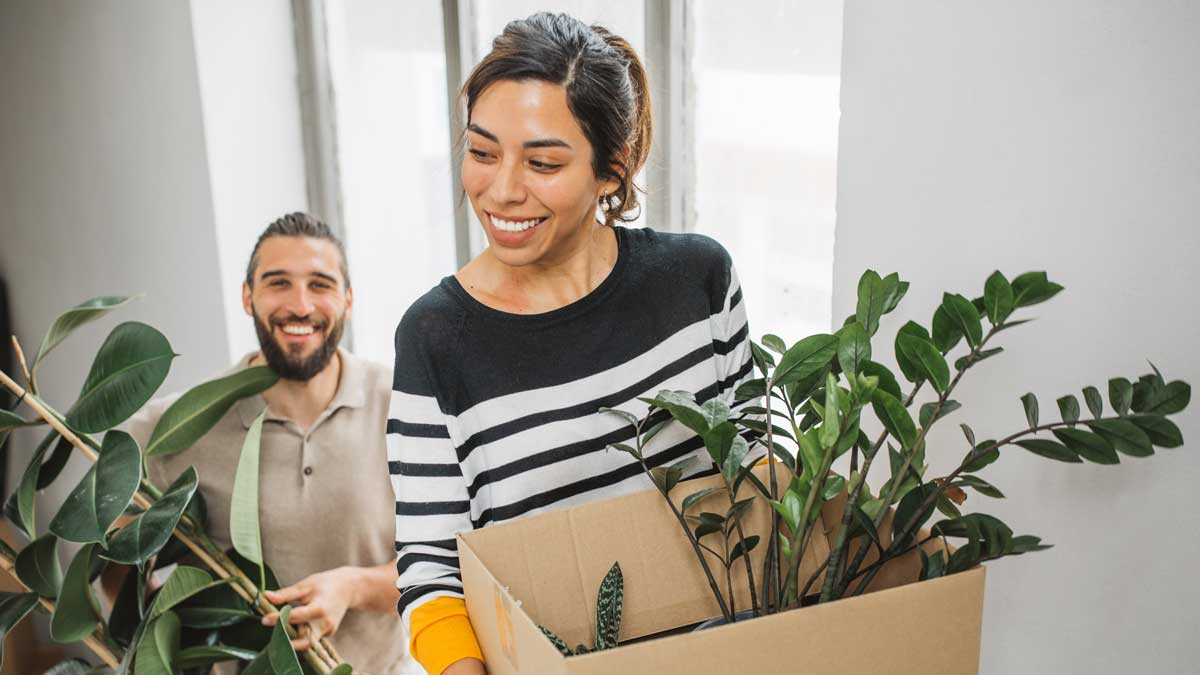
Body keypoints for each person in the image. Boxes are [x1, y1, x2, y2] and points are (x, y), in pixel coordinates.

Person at [386, 13, 754, 675]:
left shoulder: (698, 281)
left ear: (614, 171)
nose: (501, 190)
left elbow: (759, 487)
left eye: (544, 162)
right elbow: (431, 572)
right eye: (482, 151)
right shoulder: (434, 338)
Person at [129, 213, 413, 675]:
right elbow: (116, 554)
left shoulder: (402, 406)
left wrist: (353, 587)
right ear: (248, 297)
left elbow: (448, 566)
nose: (300, 305)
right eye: (278, 283)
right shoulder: (178, 427)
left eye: (320, 284)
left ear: (348, 300)